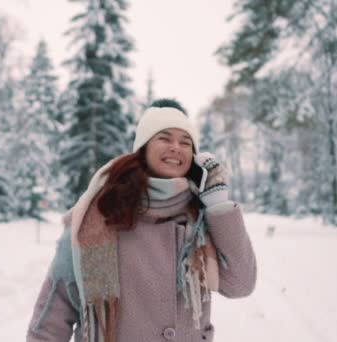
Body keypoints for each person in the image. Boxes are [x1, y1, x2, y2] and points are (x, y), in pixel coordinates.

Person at [26, 99, 257, 342]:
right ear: (143, 148)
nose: (176, 147)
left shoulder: (199, 218)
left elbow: (240, 284)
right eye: (165, 138)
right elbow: (50, 322)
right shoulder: (98, 216)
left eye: (185, 142)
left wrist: (219, 204)